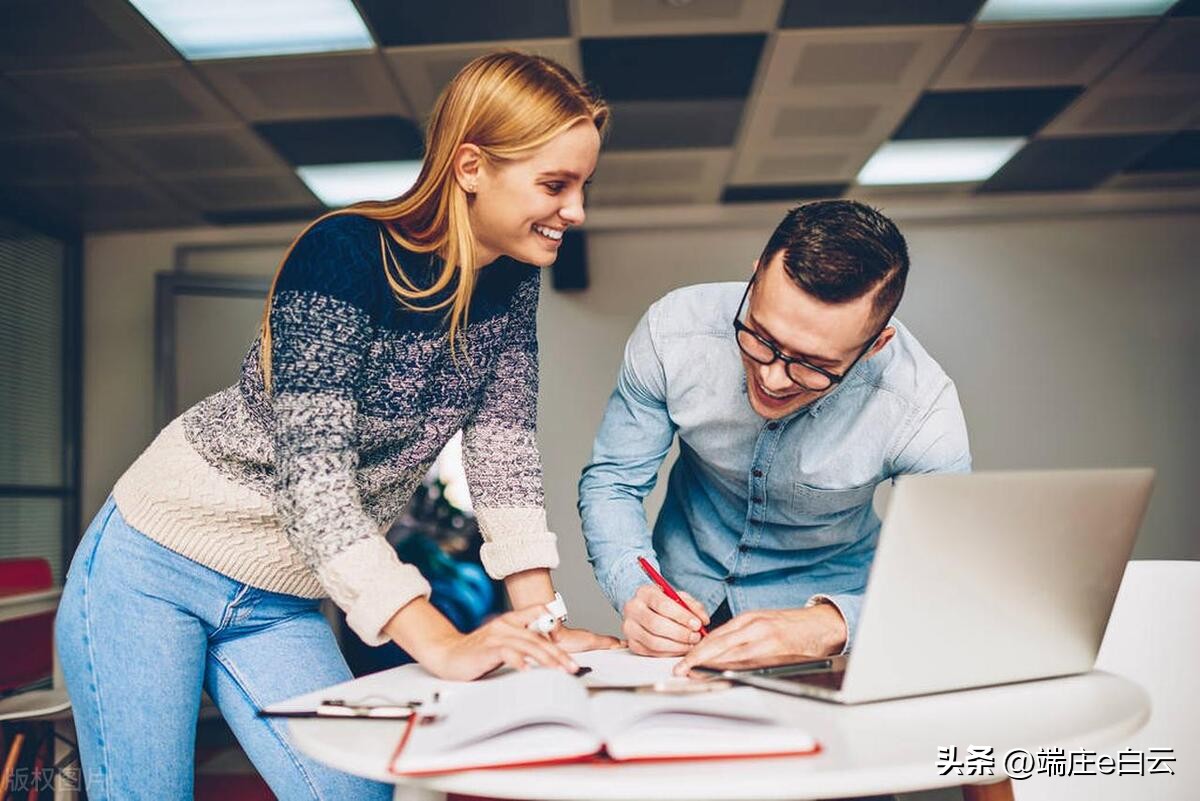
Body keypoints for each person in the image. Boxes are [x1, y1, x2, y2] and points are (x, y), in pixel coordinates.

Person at [56, 51, 618, 801]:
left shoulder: (511, 286)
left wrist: (541, 623)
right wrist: (439, 640)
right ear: (472, 165)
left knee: (353, 791)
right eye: (555, 184)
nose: (576, 211)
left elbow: (503, 455)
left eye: (583, 185)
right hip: (156, 565)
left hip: (279, 595)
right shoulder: (344, 255)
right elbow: (312, 485)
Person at [578, 200, 971, 676]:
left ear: (875, 346)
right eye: (760, 338)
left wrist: (831, 625)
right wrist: (633, 591)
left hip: (831, 627)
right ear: (754, 280)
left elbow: (948, 570)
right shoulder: (673, 331)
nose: (774, 378)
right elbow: (614, 482)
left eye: (814, 365)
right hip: (683, 611)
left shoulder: (921, 409)